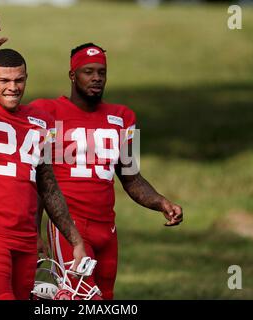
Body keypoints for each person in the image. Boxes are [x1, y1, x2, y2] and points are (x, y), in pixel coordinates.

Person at [0, 16, 86, 300]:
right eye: (4, 80)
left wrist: (75, 240)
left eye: (19, 80)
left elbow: (47, 185)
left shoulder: (40, 121)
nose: (13, 87)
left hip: (25, 240)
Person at [30, 43, 183, 300]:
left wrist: (161, 202)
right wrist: (33, 230)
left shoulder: (123, 116)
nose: (96, 78)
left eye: (101, 72)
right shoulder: (47, 111)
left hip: (107, 229)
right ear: (72, 75)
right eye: (88, 71)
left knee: (105, 298)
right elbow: (37, 178)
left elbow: (131, 176)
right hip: (69, 225)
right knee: (81, 297)